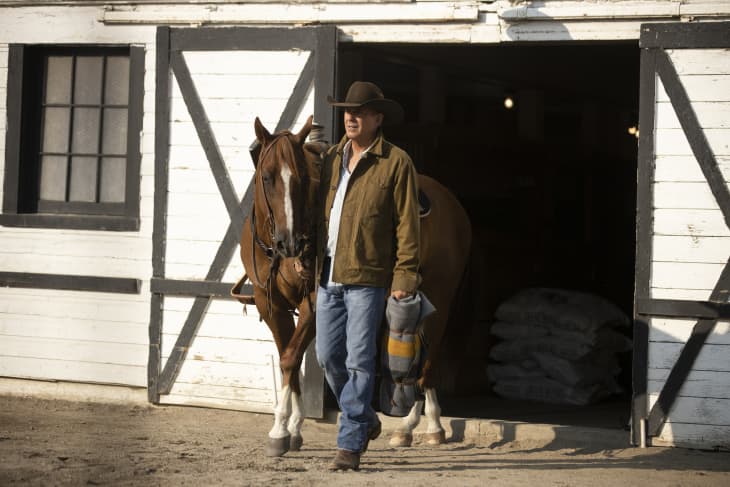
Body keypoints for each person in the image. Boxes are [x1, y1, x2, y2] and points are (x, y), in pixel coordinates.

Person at [315, 81, 421, 471]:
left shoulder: (396, 162)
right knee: (328, 357)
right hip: (328, 275)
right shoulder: (330, 158)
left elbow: (408, 226)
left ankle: (350, 444)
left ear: (378, 118)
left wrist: (404, 276)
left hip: (368, 278)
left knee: (361, 360)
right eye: (347, 111)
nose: (351, 117)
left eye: (360, 112)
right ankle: (365, 418)